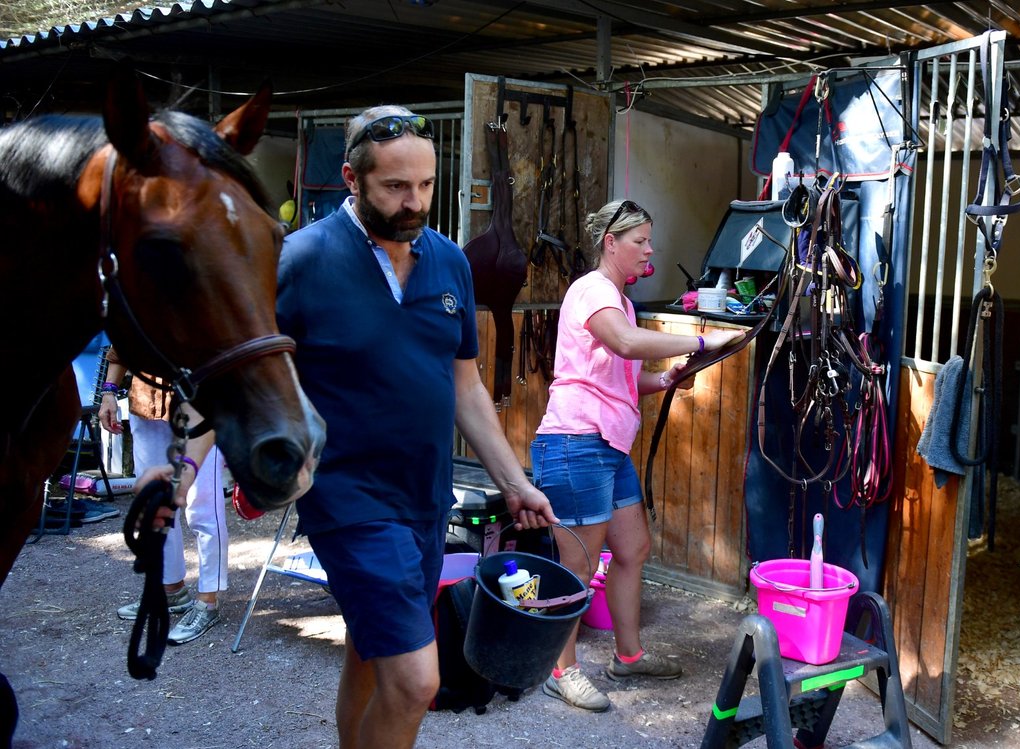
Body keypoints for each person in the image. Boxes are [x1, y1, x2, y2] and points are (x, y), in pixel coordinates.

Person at [276, 105, 559, 749]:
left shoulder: (449, 262)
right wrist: (183, 469)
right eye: (395, 187)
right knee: (415, 681)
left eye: (427, 186)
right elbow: (245, 373)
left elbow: (465, 387)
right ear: (351, 177)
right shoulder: (301, 260)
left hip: (425, 499)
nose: (415, 202)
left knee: (368, 654)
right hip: (347, 499)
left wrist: (513, 481)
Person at [530, 199, 746, 712]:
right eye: (640, 240)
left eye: (649, 240)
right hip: (574, 443)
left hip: (607, 446)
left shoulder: (622, 304)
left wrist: (668, 378)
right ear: (611, 242)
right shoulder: (591, 291)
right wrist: (699, 336)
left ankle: (627, 656)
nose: (650, 249)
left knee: (632, 549)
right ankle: (562, 670)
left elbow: (625, 377)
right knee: (577, 567)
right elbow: (626, 345)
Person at [98, 350, 229, 645]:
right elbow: (121, 346)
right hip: (146, 403)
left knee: (203, 507)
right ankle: (172, 590)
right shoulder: (137, 303)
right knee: (156, 501)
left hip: (200, 403)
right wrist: (108, 393)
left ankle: (208, 600)